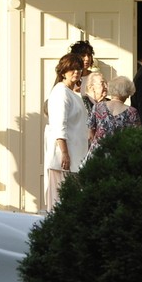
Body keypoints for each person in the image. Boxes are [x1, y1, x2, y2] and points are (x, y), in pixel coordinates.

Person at [44, 53, 89, 212]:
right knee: (61, 203)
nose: (76, 72)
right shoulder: (60, 92)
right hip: (64, 159)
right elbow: (59, 125)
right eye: (72, 69)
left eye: (78, 69)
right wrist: (64, 153)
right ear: (63, 72)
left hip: (76, 157)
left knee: (72, 203)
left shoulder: (73, 93)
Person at [88, 76, 142, 155]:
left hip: (97, 153)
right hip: (117, 154)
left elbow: (90, 130)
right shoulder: (132, 112)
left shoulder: (98, 106)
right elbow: (137, 136)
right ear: (128, 93)